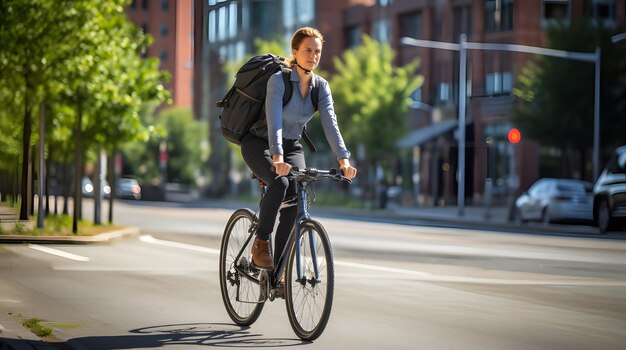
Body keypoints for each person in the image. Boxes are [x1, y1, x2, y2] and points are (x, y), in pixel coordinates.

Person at [240, 27, 357, 270]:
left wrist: (343, 160)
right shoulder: (279, 80)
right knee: (280, 183)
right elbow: (274, 122)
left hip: (292, 146)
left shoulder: (320, 87)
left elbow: (331, 124)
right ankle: (261, 243)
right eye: (308, 50)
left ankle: (279, 271)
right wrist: (277, 157)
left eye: (317, 51)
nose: (313, 56)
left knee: (296, 199)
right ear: (295, 51)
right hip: (259, 142)